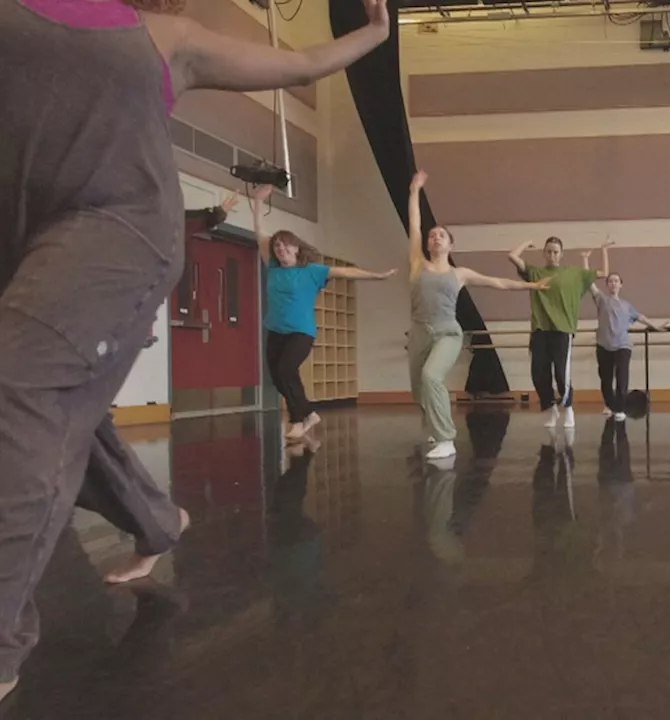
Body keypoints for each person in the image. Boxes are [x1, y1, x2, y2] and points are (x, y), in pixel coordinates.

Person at [0, 0, 389, 700]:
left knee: (20, 392)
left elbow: (300, 63)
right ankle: (157, 518)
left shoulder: (161, 34)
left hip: (116, 224)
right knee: (64, 402)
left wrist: (373, 35)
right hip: (19, 233)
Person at [406, 171, 549, 459]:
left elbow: (497, 282)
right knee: (419, 390)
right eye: (432, 235)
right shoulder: (417, 263)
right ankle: (435, 427)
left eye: (441, 235)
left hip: (447, 332)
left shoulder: (460, 274)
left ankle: (446, 439)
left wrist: (530, 284)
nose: (435, 237)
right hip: (419, 331)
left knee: (431, 376)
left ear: (450, 245)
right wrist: (413, 192)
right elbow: (415, 223)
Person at [252, 186, 396, 441]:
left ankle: (299, 420)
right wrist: (258, 203)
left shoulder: (312, 271)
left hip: (301, 331)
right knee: (276, 378)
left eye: (286, 246)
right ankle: (308, 413)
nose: (280, 249)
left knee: (287, 370)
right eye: (277, 246)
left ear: (296, 249)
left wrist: (376, 276)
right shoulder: (272, 267)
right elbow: (260, 233)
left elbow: (347, 273)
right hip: (275, 329)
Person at [508, 236, 603, 429]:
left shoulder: (573, 274)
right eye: (549, 251)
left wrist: (601, 251)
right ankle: (551, 409)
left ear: (562, 254)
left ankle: (568, 408)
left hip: (563, 330)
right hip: (540, 329)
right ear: (544, 253)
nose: (552, 255)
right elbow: (512, 256)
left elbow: (602, 273)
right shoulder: (536, 272)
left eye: (556, 252)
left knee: (561, 373)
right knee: (538, 373)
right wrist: (527, 242)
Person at [581, 245, 668, 420]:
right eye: (610, 281)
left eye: (616, 281)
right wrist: (586, 259)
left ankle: (620, 408)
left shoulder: (627, 306)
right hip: (604, 346)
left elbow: (641, 317)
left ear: (621, 285)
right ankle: (611, 404)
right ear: (607, 285)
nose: (613, 283)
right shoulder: (601, 300)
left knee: (622, 378)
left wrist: (655, 326)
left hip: (622, 346)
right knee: (606, 380)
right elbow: (589, 281)